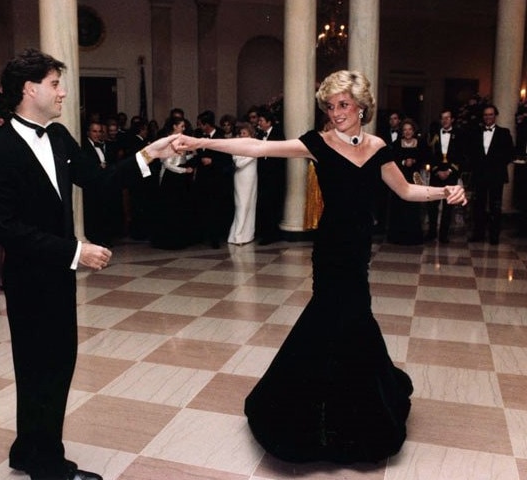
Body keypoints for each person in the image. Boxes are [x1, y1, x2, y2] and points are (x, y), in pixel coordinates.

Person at [175, 70, 467, 464]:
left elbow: (406, 189)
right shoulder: (318, 143)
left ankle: (358, 409)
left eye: (343, 105)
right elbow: (259, 149)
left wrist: (443, 192)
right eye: (330, 106)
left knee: (355, 317)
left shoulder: (379, 147)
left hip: (359, 249)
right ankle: (310, 414)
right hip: (331, 249)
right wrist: (199, 140)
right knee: (335, 317)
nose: (336, 113)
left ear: (362, 106)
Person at [0, 48, 179, 480]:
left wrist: (150, 155)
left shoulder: (59, 136)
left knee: (55, 364)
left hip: (57, 278)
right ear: (30, 89)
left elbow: (101, 181)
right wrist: (75, 251)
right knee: (41, 368)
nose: (63, 92)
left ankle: (27, 450)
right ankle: (48, 465)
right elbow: (4, 228)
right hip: (31, 280)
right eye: (54, 83)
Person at [468, 105, 514, 244]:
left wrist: (496, 165)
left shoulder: (504, 133)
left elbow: (510, 154)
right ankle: (478, 234)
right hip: (480, 175)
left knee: (495, 206)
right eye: (486, 115)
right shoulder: (476, 132)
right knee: (478, 206)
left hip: (496, 175)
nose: (488, 117)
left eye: (491, 114)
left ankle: (494, 236)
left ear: (495, 116)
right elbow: (471, 154)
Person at [191, 110, 234, 249]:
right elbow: (196, 155)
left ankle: (215, 237)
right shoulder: (198, 135)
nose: (199, 127)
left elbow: (227, 159)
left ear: (207, 125)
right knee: (202, 206)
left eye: (201, 124)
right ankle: (202, 234)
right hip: (202, 177)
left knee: (216, 208)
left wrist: (212, 161)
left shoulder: (221, 136)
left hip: (216, 179)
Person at [150, 117, 195, 249]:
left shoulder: (180, 140)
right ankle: (168, 241)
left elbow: (179, 158)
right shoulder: (166, 141)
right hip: (170, 178)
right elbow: (167, 164)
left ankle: (179, 239)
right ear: (174, 126)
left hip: (178, 179)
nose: (184, 128)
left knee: (179, 209)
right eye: (181, 126)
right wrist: (184, 170)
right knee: (170, 209)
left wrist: (191, 156)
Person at [426, 109, 466, 243]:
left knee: (448, 206)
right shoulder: (433, 134)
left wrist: (449, 171)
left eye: (447, 118)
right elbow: (429, 154)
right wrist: (436, 170)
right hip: (436, 174)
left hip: (451, 174)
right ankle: (431, 233)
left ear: (452, 119)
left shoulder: (459, 135)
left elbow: (462, 155)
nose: (445, 120)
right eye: (443, 118)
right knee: (432, 205)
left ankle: (443, 235)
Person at [387, 118, 428, 245]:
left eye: (410, 129)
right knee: (399, 205)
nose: (407, 132)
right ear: (402, 131)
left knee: (413, 207)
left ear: (414, 130)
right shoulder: (396, 144)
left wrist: (416, 162)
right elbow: (391, 161)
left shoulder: (421, 143)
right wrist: (404, 162)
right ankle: (397, 236)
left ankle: (413, 236)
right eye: (405, 130)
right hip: (400, 178)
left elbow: (426, 158)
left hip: (415, 179)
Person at [255, 107, 286, 245]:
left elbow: (281, 155)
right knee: (265, 205)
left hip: (275, 176)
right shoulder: (259, 135)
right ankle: (266, 233)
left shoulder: (278, 134)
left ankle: (272, 234)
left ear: (269, 122)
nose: (259, 123)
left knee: (273, 205)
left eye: (261, 120)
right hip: (263, 175)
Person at [227, 122, 257, 245]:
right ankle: (237, 236)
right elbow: (238, 162)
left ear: (250, 134)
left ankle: (247, 235)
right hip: (241, 177)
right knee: (242, 205)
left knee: (250, 204)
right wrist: (251, 156)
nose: (242, 135)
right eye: (241, 133)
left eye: (244, 133)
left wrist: (251, 155)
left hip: (251, 177)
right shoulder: (237, 145)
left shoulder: (255, 145)